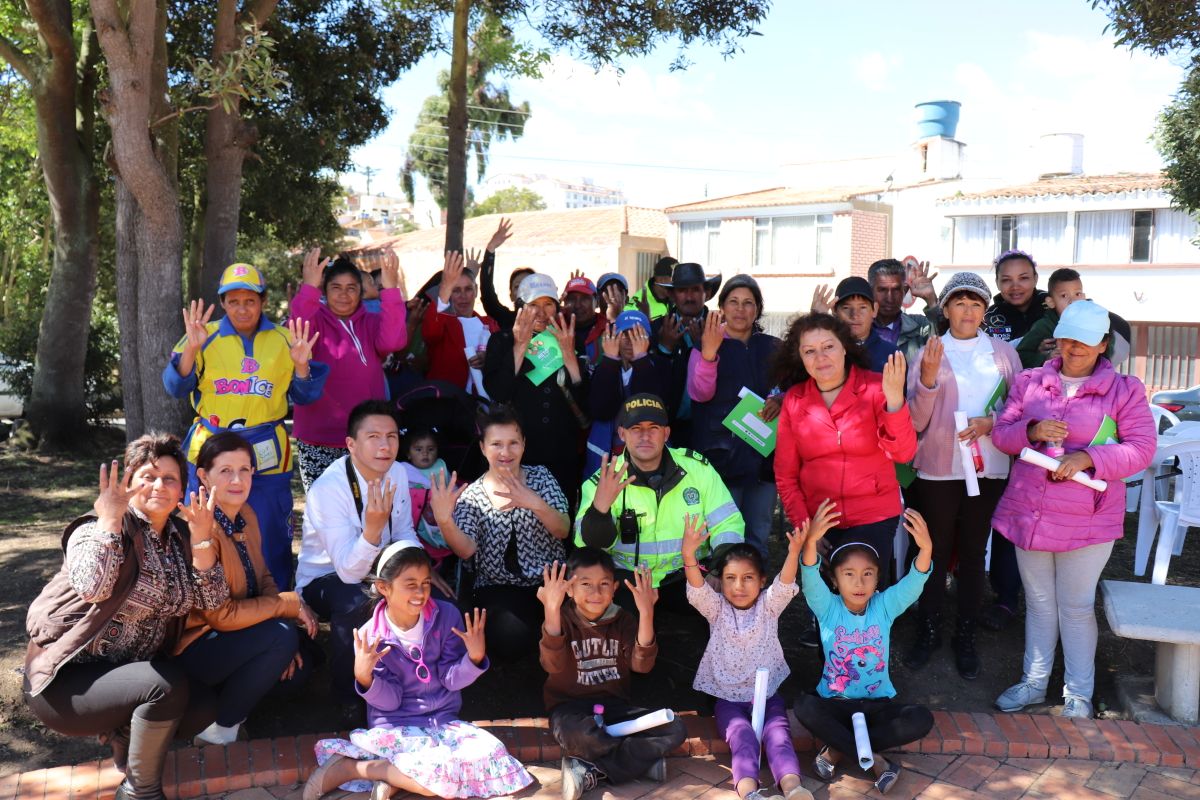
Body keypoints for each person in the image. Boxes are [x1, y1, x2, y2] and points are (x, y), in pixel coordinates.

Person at [24, 434, 229, 800]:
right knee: (164, 686)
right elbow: (93, 587)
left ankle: (123, 738)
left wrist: (201, 540)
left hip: (125, 675)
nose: (158, 486)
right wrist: (109, 518)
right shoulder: (97, 527)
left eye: (169, 479)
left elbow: (211, 599)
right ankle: (140, 791)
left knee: (201, 705)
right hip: (65, 681)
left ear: (181, 489)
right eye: (147, 476)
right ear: (129, 483)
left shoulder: (179, 537)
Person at [990, 299, 1156, 719]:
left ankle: (1078, 692)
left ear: (1103, 345)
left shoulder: (1125, 390)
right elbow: (1003, 434)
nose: (1074, 347)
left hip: (1087, 517)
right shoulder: (1030, 382)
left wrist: (1089, 459)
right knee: (1040, 601)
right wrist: (1032, 430)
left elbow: (1141, 449)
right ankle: (1033, 682)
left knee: (1076, 605)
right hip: (1031, 512)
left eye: (1085, 340)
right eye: (1067, 337)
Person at [304, 544, 532, 800]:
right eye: (410, 584)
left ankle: (391, 778)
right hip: (396, 727)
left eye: (425, 583)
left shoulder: (446, 616)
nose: (421, 592)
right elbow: (391, 702)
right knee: (442, 782)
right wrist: (365, 678)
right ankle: (351, 768)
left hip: (444, 723)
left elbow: (450, 679)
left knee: (492, 754)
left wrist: (474, 658)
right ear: (383, 588)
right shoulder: (372, 635)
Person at [163, 263, 327, 590]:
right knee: (203, 525)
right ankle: (203, 601)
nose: (242, 308)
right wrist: (191, 348)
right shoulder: (202, 334)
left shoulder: (285, 339)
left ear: (262, 301)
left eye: (250, 300)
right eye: (233, 301)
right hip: (210, 446)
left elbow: (307, 395)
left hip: (266, 447)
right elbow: (175, 387)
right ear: (223, 303)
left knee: (269, 529)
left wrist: (301, 365)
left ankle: (276, 602)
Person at [901, 273, 1022, 680]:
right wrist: (930, 380)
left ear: (985, 310)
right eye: (959, 303)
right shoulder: (929, 351)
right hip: (939, 468)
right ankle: (929, 628)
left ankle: (965, 634)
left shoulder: (1004, 354)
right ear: (946, 309)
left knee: (973, 553)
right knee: (933, 552)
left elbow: (1021, 409)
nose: (967, 311)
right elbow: (915, 419)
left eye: (975, 303)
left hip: (988, 467)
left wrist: (992, 422)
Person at [175, 432, 319, 745]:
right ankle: (220, 730)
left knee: (301, 662)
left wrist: (284, 626)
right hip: (196, 648)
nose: (237, 479)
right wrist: (285, 610)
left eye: (244, 469)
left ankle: (226, 702)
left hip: (237, 634)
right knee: (281, 637)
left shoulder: (246, 515)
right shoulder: (199, 529)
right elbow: (220, 617)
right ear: (203, 475)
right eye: (225, 471)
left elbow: (264, 577)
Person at [794, 506, 935, 796]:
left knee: (921, 718)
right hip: (835, 705)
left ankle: (835, 751)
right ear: (834, 580)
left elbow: (914, 582)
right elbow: (808, 575)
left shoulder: (885, 606)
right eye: (849, 574)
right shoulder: (827, 607)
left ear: (877, 579)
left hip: (876, 707)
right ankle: (877, 763)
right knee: (803, 707)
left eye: (867, 574)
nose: (859, 583)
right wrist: (811, 543)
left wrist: (926, 548)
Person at [295, 401, 422, 706]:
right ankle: (347, 696)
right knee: (358, 602)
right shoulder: (328, 488)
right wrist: (372, 531)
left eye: (392, 436)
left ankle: (418, 687)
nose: (385, 446)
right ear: (351, 444)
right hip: (325, 579)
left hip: (379, 571)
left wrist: (420, 573)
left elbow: (405, 533)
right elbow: (348, 573)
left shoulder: (399, 473)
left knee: (432, 596)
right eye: (374, 437)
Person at [773, 313, 915, 585]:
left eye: (828, 347)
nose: (820, 357)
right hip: (820, 519)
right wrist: (807, 529)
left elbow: (904, 453)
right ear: (800, 358)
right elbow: (786, 475)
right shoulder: (794, 399)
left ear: (845, 347)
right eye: (809, 351)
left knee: (865, 599)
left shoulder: (876, 387)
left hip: (874, 515)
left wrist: (895, 402)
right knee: (826, 604)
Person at [682, 514, 815, 800]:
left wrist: (793, 552)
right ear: (721, 581)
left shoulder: (769, 606)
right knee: (741, 738)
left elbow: (785, 583)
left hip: (767, 697)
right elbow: (696, 589)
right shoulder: (716, 609)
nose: (739, 586)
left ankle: (793, 789)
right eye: (730, 578)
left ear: (761, 580)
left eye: (748, 578)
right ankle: (750, 794)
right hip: (727, 698)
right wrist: (688, 554)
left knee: (779, 738)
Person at [576, 393, 745, 614]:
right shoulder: (604, 480)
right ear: (622, 434)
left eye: (653, 427)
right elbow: (586, 547)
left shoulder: (698, 470)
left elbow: (728, 523)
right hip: (628, 579)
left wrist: (719, 570)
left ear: (666, 433)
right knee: (620, 634)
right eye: (636, 428)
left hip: (689, 574)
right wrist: (600, 510)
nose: (645, 436)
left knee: (733, 600)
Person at [538, 551, 685, 800]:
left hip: (616, 710)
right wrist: (551, 609)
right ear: (569, 589)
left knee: (674, 728)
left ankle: (593, 770)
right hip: (571, 711)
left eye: (603, 584)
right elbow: (551, 665)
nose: (596, 593)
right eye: (586, 584)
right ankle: (640, 762)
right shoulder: (561, 619)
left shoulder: (623, 620)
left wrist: (647, 612)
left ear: (614, 588)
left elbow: (642, 666)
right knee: (582, 735)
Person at [430, 405, 571, 662]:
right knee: (510, 635)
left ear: (524, 445)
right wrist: (444, 520)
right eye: (496, 444)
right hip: (498, 585)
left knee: (578, 622)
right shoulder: (473, 494)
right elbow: (466, 550)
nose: (505, 452)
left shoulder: (542, 477)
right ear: (483, 448)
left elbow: (563, 529)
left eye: (513, 443)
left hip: (551, 580)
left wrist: (534, 502)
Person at [291, 248, 409, 491]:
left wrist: (390, 290)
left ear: (361, 292)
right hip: (319, 435)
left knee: (367, 509)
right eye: (336, 287)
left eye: (351, 288)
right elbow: (298, 325)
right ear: (325, 291)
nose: (344, 295)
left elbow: (393, 342)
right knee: (323, 509)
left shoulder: (372, 321)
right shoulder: (315, 321)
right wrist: (309, 287)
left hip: (367, 437)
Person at [688, 274, 781, 556]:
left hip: (763, 458)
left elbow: (795, 386)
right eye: (734, 302)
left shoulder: (773, 347)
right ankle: (721, 596)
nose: (741, 309)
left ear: (758, 309)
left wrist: (781, 398)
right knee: (725, 535)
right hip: (722, 457)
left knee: (758, 534)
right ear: (722, 307)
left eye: (748, 303)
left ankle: (758, 595)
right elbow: (699, 393)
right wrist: (709, 354)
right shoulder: (706, 341)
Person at [483, 274, 589, 501]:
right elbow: (499, 392)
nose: (541, 313)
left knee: (561, 520)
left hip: (562, 453)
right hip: (519, 454)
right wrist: (520, 347)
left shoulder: (569, 338)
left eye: (548, 304)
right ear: (520, 306)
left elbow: (585, 400)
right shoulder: (501, 341)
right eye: (533, 305)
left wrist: (569, 355)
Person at [584, 310, 669, 477]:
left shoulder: (661, 366)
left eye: (638, 334)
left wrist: (641, 360)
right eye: (625, 335)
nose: (631, 341)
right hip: (608, 452)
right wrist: (609, 360)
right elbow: (601, 410)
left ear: (649, 339)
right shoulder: (604, 368)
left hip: (647, 451)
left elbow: (653, 408)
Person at [651, 262, 721, 448]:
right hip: (667, 429)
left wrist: (701, 348)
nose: (689, 297)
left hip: (711, 429)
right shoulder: (656, 329)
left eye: (696, 290)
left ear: (706, 293)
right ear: (673, 295)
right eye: (682, 290)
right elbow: (648, 384)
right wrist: (664, 349)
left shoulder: (720, 330)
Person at [1016, 268, 1131, 369]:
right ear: (1050, 302)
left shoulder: (1095, 320)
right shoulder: (1044, 326)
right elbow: (1019, 357)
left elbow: (1107, 346)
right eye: (1064, 296)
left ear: (1084, 297)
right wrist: (1044, 358)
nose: (1072, 301)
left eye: (1077, 294)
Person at [422, 251, 499, 396]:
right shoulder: (442, 323)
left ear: (476, 291)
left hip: (487, 407)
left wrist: (489, 358)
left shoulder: (490, 323)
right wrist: (446, 286)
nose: (463, 296)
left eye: (468, 289)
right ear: (448, 294)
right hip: (450, 405)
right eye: (455, 290)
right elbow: (430, 334)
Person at [812, 277, 898, 372]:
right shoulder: (823, 352)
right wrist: (815, 322)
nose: (855, 315)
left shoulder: (891, 355)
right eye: (846, 308)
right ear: (834, 311)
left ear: (875, 310)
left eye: (862, 307)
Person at [398, 427, 454, 569]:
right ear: (408, 454)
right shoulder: (404, 470)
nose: (425, 453)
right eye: (418, 449)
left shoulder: (440, 466)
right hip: (419, 518)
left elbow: (451, 487)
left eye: (431, 449)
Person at [867, 259, 940, 364]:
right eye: (882, 290)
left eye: (896, 290)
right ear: (870, 291)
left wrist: (931, 301)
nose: (889, 298)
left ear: (905, 291)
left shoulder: (920, 327)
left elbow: (949, 338)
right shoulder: (858, 327)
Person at [983, 250, 1048, 344]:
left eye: (1023, 278)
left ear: (1035, 279)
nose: (1015, 287)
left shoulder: (1054, 305)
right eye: (1006, 280)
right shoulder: (988, 317)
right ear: (997, 283)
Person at [475, 217, 529, 332]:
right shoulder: (505, 319)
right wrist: (490, 249)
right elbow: (487, 293)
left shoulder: (550, 320)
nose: (523, 290)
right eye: (517, 286)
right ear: (511, 296)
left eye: (529, 285)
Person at [562, 275, 607, 370]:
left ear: (597, 302)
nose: (578, 305)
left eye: (585, 298)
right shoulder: (553, 328)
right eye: (572, 299)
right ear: (564, 302)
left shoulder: (609, 329)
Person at [625, 256, 676, 321]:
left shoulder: (676, 297)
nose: (679, 282)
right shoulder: (636, 305)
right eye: (675, 278)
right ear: (661, 280)